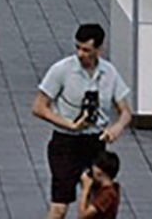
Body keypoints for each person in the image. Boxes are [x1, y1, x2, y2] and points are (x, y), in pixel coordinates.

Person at [31, 23, 133, 219]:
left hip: (95, 141)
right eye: (78, 47)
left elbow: (125, 111)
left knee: (98, 204)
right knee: (59, 206)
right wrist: (69, 124)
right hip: (66, 142)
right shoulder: (62, 70)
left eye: (86, 50)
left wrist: (116, 128)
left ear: (99, 49)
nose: (80, 54)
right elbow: (39, 107)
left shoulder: (109, 73)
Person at [74, 149, 120, 219]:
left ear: (99, 171)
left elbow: (82, 216)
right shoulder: (111, 189)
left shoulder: (107, 194)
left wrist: (85, 189)